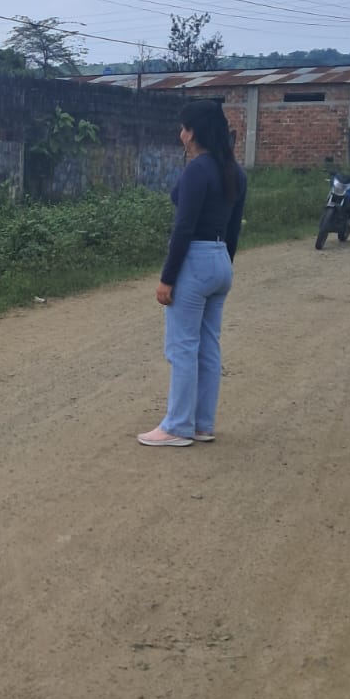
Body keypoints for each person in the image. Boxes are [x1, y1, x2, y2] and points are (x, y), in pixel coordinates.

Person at [138, 99, 247, 448]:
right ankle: (201, 423)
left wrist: (167, 278)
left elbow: (183, 228)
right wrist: (224, 263)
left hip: (195, 259)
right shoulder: (235, 172)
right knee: (208, 345)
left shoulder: (198, 170)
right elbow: (233, 229)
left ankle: (177, 426)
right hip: (220, 259)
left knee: (182, 346)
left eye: (184, 128)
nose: (180, 134)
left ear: (194, 132)